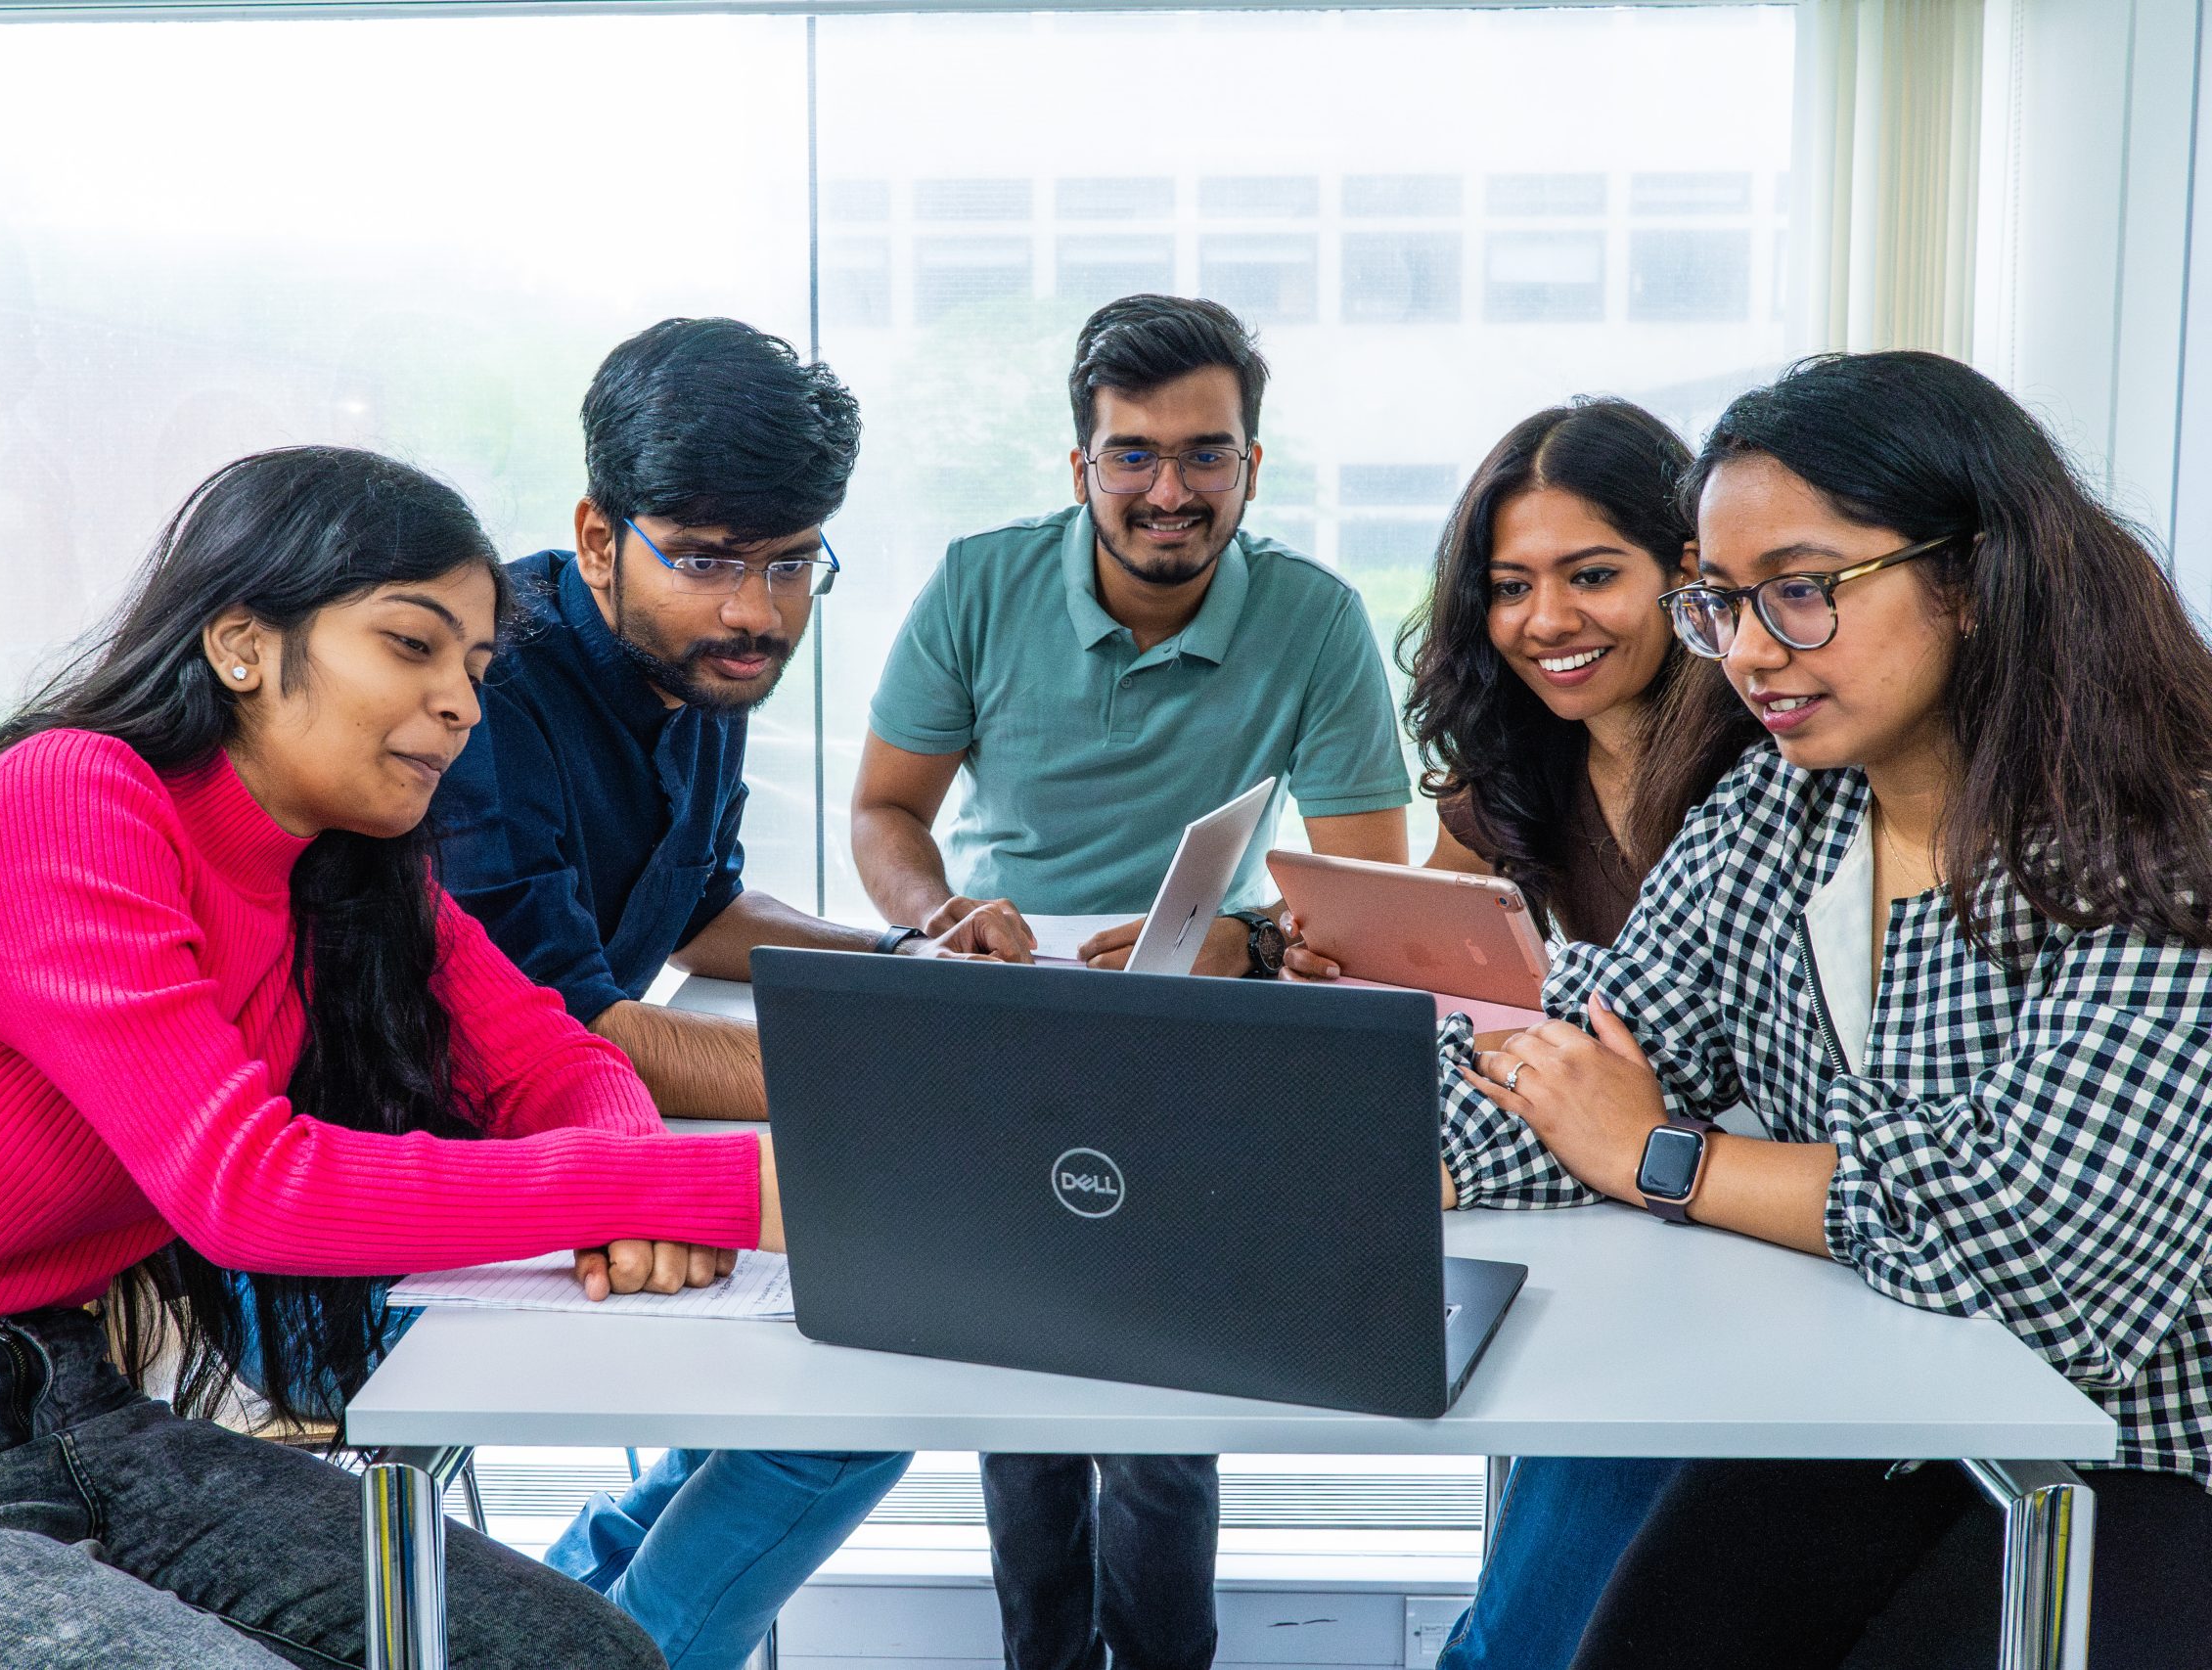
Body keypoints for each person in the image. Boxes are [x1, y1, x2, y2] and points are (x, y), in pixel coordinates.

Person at [0, 446, 773, 1669]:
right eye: (412, 646)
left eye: (476, 670)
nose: (463, 705)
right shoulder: (72, 797)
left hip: (73, 1408)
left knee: (588, 1654)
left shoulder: (351, 875)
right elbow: (246, 1190)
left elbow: (555, 1061)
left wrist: (627, 1172)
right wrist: (719, 1192)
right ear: (241, 645)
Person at [1441, 351, 2212, 1669]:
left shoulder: (2162, 843)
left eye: (1799, 593)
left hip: (2122, 1455)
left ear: (1970, 578)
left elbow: (2042, 1248)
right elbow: (1587, 1060)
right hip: (1870, 1412)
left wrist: (1666, 1156)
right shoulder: (1776, 811)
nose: (1746, 652)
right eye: (1723, 603)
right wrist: (1383, 1161)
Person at [432, 318, 1015, 1670]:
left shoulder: (703, 663)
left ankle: (581, 1613)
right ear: (597, 534)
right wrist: (897, 1058)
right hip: (444, 1167)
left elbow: (694, 906)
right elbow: (566, 1024)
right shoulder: (488, 693)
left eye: (791, 561)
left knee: (854, 1356)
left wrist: (902, 964)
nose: (755, 607)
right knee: (879, 1362)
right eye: (702, 556)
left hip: (587, 1128)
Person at [851, 293, 1414, 1670]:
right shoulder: (980, 583)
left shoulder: (1316, 617)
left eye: (1206, 454)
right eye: (1134, 455)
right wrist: (937, 916)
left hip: (1201, 1026)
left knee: (1159, 1415)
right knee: (1025, 1402)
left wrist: (1255, 941)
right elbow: (883, 811)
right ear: (1081, 464)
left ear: (1253, 466)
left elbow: (1369, 895)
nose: (1171, 490)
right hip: (1011, 1009)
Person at [1284, 397, 1757, 1670]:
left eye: (1594, 573)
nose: (1547, 620)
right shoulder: (1517, 758)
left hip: (1727, 1218)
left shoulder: (1772, 772)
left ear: (1688, 580)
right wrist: (1338, 962)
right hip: (1589, 1190)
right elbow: (1446, 951)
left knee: (1543, 1612)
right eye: (1510, 585)